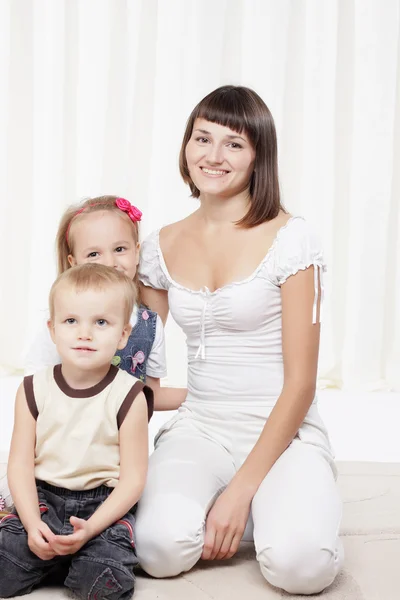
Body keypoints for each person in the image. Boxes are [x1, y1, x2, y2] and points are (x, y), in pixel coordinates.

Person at [135, 85, 343, 595]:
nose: (213, 155)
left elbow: (302, 384)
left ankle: (273, 502)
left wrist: (240, 492)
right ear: (185, 147)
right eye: (202, 138)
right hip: (200, 429)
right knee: (158, 551)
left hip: (283, 431)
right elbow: (140, 379)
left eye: (233, 143)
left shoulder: (292, 239)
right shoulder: (158, 247)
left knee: (302, 568)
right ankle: (243, 505)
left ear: (258, 157)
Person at [0, 264, 152, 599]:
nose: (85, 333)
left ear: (123, 334)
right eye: (71, 321)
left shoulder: (130, 395)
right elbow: (20, 466)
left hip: (102, 509)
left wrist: (92, 528)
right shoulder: (32, 388)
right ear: (52, 330)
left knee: (103, 581)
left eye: (101, 322)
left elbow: (133, 480)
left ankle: (79, 561)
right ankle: (48, 559)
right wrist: (30, 523)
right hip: (42, 502)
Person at [24, 195, 185, 411]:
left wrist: (207, 397)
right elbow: (34, 386)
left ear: (137, 252)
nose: (109, 263)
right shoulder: (61, 319)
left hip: (119, 439)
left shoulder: (150, 326)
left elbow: (150, 394)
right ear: (74, 263)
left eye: (120, 249)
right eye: (93, 254)